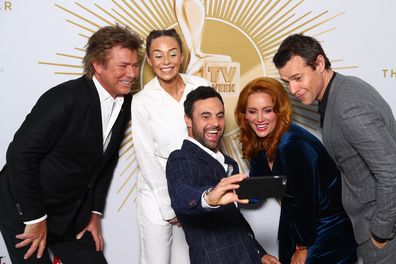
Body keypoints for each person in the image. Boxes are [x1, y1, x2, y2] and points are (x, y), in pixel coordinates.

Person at [0, 25, 143, 264]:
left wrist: (95, 213)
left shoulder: (126, 104)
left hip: (70, 212)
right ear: (97, 65)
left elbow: (106, 162)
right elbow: (19, 155)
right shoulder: (64, 98)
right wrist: (34, 219)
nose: (132, 73)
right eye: (123, 66)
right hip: (24, 208)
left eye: (135, 65)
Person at [273, 33, 396, 263]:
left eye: (298, 78)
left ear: (319, 63)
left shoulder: (348, 105)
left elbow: (391, 171)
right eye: (287, 82)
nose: (293, 89)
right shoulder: (340, 91)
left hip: (384, 236)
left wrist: (381, 232)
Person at [235, 77, 357, 263]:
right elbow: (259, 189)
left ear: (280, 111)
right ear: (244, 115)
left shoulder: (294, 145)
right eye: (253, 111)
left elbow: (305, 200)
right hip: (296, 224)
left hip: (327, 228)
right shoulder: (261, 142)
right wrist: (218, 197)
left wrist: (302, 247)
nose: (259, 119)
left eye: (267, 110)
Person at [166, 86, 280, 264]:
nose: (215, 123)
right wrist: (209, 198)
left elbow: (233, 219)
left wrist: (259, 253)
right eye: (206, 116)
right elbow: (181, 196)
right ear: (188, 120)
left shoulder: (229, 163)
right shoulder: (180, 158)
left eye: (219, 116)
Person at [131, 29, 209, 264]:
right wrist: (169, 205)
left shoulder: (201, 86)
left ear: (182, 56)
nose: (166, 61)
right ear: (150, 60)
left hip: (194, 190)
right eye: (158, 55)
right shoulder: (142, 100)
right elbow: (145, 157)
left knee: (188, 259)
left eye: (172, 54)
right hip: (157, 195)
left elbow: (211, 138)